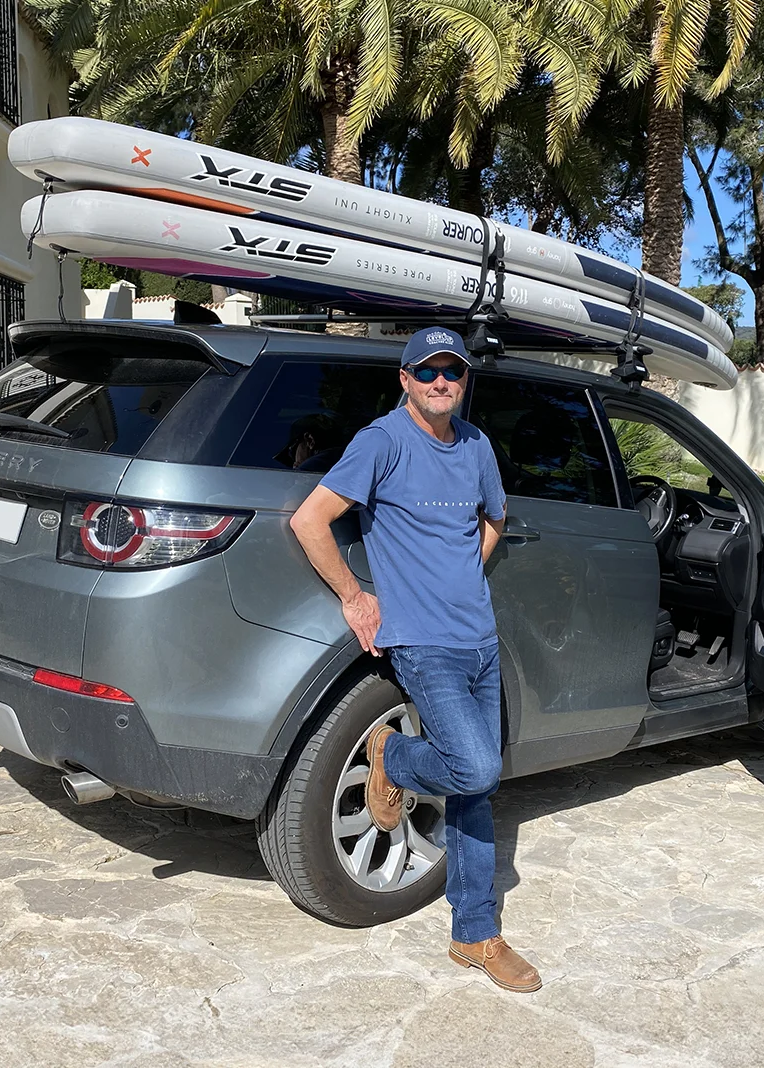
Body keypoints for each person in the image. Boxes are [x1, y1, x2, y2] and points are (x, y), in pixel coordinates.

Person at [288, 327, 541, 993]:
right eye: (426, 371)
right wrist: (355, 597)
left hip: (479, 637)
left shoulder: (475, 444)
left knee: (476, 789)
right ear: (404, 380)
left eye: (451, 371)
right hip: (424, 643)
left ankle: (474, 933)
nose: (440, 382)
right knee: (476, 766)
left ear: (463, 381)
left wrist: (461, 574)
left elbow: (495, 517)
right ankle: (393, 755)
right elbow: (310, 521)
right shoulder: (382, 441)